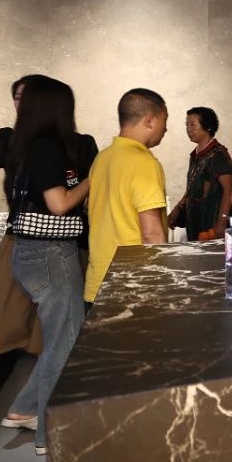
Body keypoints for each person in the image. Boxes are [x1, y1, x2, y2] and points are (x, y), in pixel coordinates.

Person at [0, 76, 94, 456]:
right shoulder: (47, 149)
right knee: (65, 343)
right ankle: (50, 435)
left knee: (59, 339)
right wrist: (93, 178)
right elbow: (60, 204)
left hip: (33, 252)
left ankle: (24, 409)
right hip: (51, 254)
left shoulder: (27, 148)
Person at [84, 89, 171, 304]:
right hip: (133, 285)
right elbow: (151, 233)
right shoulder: (143, 163)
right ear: (149, 120)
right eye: (164, 120)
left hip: (97, 282)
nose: (166, 128)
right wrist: (161, 283)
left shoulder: (102, 159)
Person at [168, 106, 232, 240]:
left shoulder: (218, 154)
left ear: (208, 127)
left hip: (212, 221)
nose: (188, 129)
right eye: (187, 125)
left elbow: (229, 190)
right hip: (195, 221)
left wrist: (222, 221)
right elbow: (192, 188)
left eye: (193, 125)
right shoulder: (195, 155)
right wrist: (177, 209)